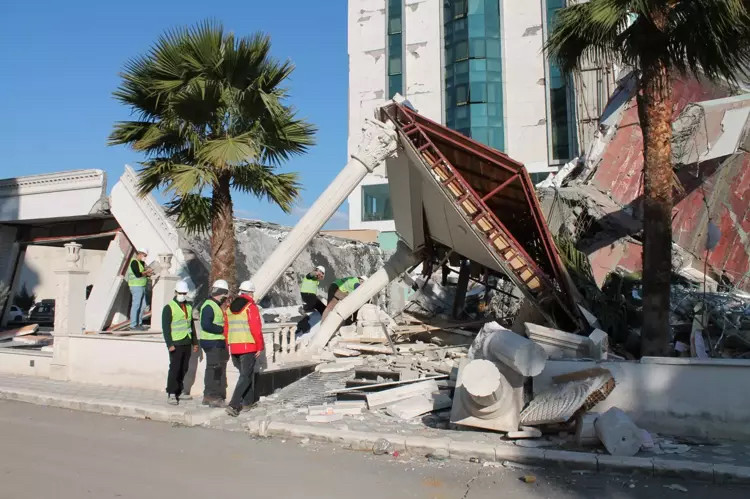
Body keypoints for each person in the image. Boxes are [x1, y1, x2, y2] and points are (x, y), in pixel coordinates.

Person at [224, 280, 264, 417]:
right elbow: (256, 329)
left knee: (244, 375)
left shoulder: (229, 308)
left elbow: (226, 328)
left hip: (234, 347)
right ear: (250, 293)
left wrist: (228, 344)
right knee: (246, 377)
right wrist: (259, 346)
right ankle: (234, 405)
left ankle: (248, 402)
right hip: (248, 346)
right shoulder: (250, 307)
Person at [162, 280, 198, 405]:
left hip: (186, 341)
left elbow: (191, 325)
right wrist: (169, 344)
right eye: (181, 293)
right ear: (176, 292)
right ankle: (171, 392)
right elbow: (166, 328)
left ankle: (180, 390)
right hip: (176, 342)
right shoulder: (169, 308)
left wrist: (195, 342)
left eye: (184, 293)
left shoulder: (188, 306)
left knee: (184, 367)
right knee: (175, 368)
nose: (183, 295)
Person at [199, 279, 230, 407]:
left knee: (216, 369)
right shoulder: (209, 306)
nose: (225, 297)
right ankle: (211, 396)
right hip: (212, 342)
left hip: (216, 341)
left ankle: (213, 395)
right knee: (213, 369)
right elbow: (206, 325)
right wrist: (221, 329)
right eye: (224, 294)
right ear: (221, 293)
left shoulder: (214, 305)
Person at [126, 248, 153, 330]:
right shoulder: (134, 262)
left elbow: (143, 273)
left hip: (142, 285)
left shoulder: (141, 262)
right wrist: (147, 271)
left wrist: (148, 273)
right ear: (140, 254)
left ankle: (139, 323)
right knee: (136, 305)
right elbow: (138, 274)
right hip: (136, 286)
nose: (145, 257)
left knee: (143, 305)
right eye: (145, 256)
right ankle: (133, 325)